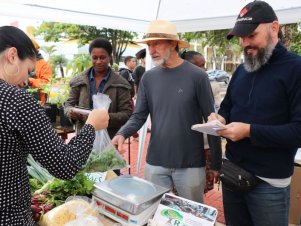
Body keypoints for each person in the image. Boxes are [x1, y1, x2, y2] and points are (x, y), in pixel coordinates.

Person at [0, 26, 109, 225]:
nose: (26, 80)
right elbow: (64, 165)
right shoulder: (16, 101)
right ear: (12, 56)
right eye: (28, 70)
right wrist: (91, 126)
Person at [208, 1, 301, 225]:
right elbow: (228, 106)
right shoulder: (242, 69)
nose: (244, 43)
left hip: (268, 183)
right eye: (241, 37)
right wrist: (219, 118)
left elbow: (298, 131)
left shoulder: (296, 69)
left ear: (274, 27)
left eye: (251, 35)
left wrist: (249, 131)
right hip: (232, 173)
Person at [112, 20, 222, 203]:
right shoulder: (148, 78)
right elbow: (139, 115)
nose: (151, 49)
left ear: (173, 44)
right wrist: (123, 133)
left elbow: (212, 122)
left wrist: (216, 164)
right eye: (149, 44)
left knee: (192, 217)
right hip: (155, 163)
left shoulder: (198, 76)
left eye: (157, 43)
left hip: (190, 164)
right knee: (156, 215)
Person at [64, 38, 132, 175]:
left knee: (110, 180)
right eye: (95, 58)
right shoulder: (79, 81)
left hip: (109, 143)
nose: (98, 61)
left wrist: (104, 118)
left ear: (110, 57)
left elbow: (127, 113)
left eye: (103, 57)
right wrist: (71, 112)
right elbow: (68, 104)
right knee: (84, 182)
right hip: (84, 141)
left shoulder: (121, 84)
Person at [181, 50, 222, 193]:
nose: (204, 69)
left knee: (197, 189)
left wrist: (216, 162)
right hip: (180, 150)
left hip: (203, 146)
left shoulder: (208, 86)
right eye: (199, 66)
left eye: (204, 65)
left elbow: (213, 120)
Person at [27, 39, 52, 105]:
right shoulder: (21, 62)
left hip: (39, 102)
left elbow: (45, 84)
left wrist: (29, 80)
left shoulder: (44, 65)